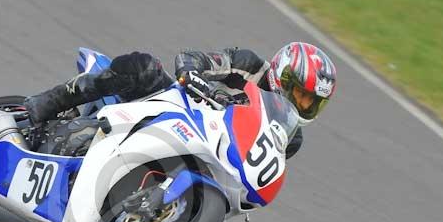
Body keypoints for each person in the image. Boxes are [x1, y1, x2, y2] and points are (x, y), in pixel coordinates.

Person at [23, 42, 337, 159]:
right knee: (144, 66)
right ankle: (49, 102)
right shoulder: (249, 65)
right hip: (180, 107)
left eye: (311, 101)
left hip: (207, 150)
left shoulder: (289, 137)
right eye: (300, 93)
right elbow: (195, 59)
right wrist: (193, 76)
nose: (302, 104)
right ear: (283, 74)